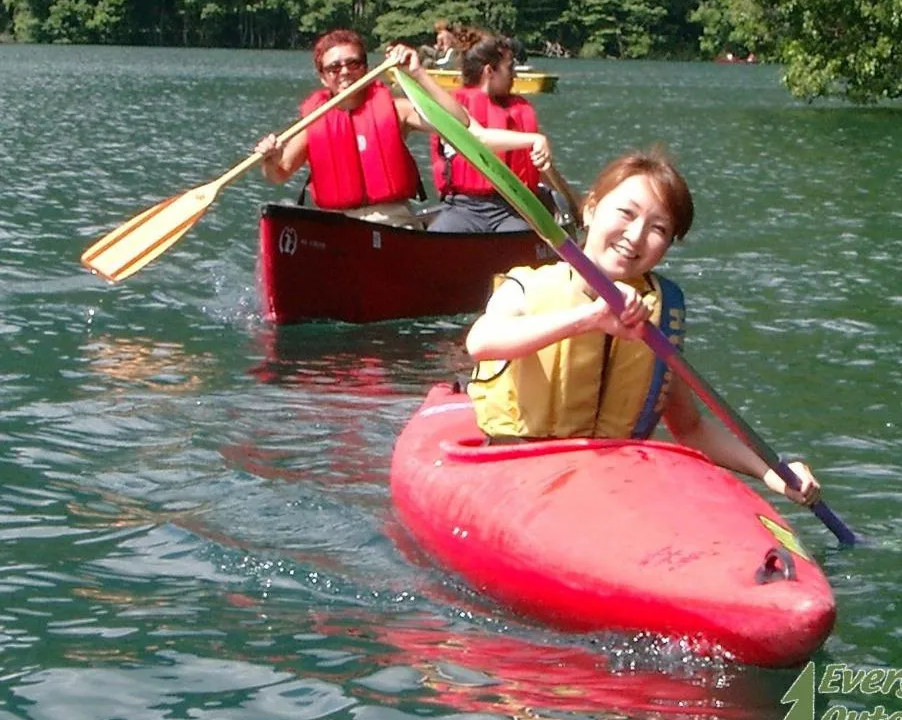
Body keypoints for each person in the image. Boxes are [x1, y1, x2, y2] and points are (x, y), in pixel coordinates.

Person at [464, 147, 822, 509]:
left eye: (658, 228)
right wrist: (588, 319)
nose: (635, 236)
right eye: (626, 213)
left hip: (612, 480)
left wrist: (772, 473)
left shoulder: (656, 312)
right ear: (590, 209)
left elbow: (691, 428)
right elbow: (481, 342)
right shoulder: (527, 285)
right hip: (520, 468)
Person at [256, 30, 468, 228]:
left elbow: (459, 122)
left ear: (365, 68)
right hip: (337, 225)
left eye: (353, 64)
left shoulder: (396, 109)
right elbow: (279, 174)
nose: (345, 72)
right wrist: (269, 160)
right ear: (323, 77)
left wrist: (417, 72)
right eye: (334, 68)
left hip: (392, 221)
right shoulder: (313, 121)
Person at [428, 31, 555, 234]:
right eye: (510, 67)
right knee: (438, 234)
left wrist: (571, 204)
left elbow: (541, 170)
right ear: (490, 71)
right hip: (463, 208)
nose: (515, 74)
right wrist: (535, 138)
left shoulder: (518, 110)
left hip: (513, 209)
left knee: (520, 236)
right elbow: (479, 137)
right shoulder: (455, 108)